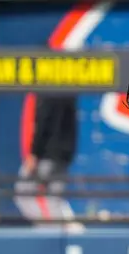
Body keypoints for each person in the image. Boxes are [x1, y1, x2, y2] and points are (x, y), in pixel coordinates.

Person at [13, 95, 83, 231]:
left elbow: (44, 122)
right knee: (53, 199)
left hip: (45, 155)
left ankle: (53, 231)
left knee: (24, 194)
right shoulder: (68, 92)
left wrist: (34, 153)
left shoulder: (48, 92)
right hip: (63, 155)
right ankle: (64, 230)